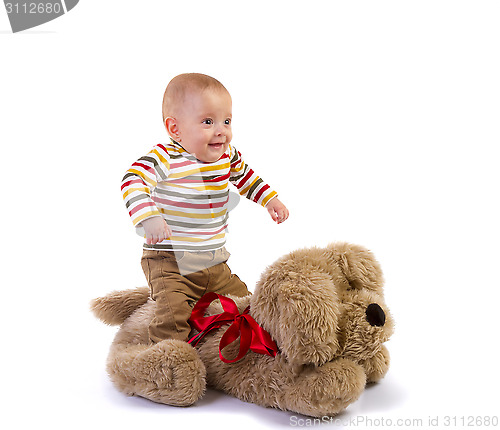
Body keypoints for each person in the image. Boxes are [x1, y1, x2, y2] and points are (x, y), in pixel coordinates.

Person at [121, 73, 289, 343]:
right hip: (170, 262)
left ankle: (244, 350)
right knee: (173, 315)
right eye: (208, 122)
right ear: (175, 129)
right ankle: (167, 363)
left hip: (214, 263)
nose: (221, 130)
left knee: (245, 305)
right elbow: (133, 179)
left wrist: (270, 199)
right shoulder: (167, 156)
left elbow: (246, 177)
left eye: (227, 121)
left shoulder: (227, 155)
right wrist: (148, 216)